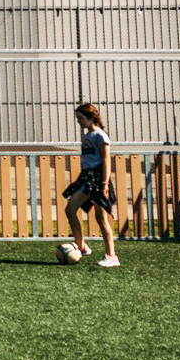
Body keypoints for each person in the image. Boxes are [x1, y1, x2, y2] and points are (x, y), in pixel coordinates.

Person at [63, 102, 120, 268]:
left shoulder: (100, 136)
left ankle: (111, 256)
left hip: (97, 179)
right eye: (77, 118)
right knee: (72, 210)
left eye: (80, 118)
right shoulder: (87, 136)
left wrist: (104, 185)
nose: (78, 122)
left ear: (90, 117)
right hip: (86, 178)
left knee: (100, 218)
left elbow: (106, 161)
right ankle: (81, 247)